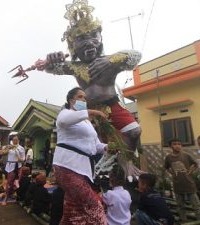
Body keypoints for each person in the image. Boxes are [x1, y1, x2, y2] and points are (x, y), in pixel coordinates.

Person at [35, 1, 142, 177]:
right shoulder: (74, 66)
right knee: (87, 139)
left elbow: (136, 56)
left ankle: (126, 160)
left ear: (100, 38)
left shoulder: (110, 61)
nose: (88, 42)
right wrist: (50, 60)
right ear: (72, 46)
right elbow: (47, 68)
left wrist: (110, 60)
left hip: (111, 104)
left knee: (134, 131)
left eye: (93, 36)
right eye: (81, 39)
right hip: (87, 108)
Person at [52, 87, 116, 224]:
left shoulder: (87, 123)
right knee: (95, 205)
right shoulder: (65, 113)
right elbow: (63, 122)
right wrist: (93, 112)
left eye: (85, 98)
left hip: (84, 169)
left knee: (73, 209)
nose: (84, 100)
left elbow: (96, 146)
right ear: (71, 100)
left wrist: (107, 147)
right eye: (80, 97)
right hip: (67, 166)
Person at [164, 138, 200, 222]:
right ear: (170, 146)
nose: (177, 146)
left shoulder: (186, 155)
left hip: (189, 184)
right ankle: (183, 221)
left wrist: (190, 171)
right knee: (180, 206)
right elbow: (166, 167)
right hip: (177, 185)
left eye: (179, 144)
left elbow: (195, 164)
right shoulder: (168, 157)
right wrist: (172, 174)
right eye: (174, 144)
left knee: (196, 206)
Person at [3, 134, 25, 205]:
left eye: (16, 139)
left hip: (18, 166)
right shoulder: (9, 147)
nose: (15, 141)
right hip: (10, 166)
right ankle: (6, 198)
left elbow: (23, 159)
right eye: (13, 140)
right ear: (12, 140)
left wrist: (20, 159)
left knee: (18, 182)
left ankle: (17, 196)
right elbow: (3, 152)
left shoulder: (21, 148)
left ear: (18, 140)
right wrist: (6, 148)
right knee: (9, 182)